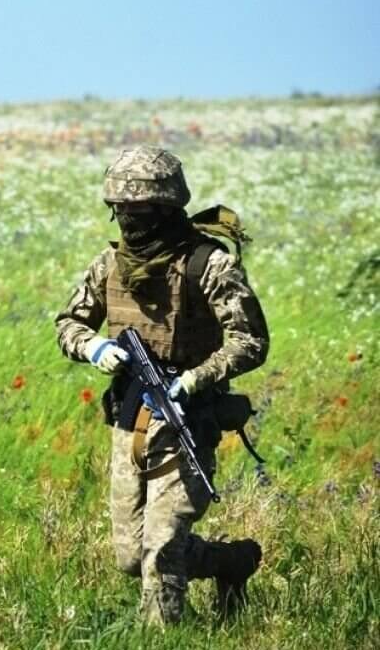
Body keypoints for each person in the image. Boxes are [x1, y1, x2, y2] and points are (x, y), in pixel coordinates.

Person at [54, 146, 268, 625]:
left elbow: (250, 341)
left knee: (162, 546)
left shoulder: (208, 266)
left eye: (141, 211)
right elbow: (69, 323)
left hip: (188, 417)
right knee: (131, 555)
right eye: (121, 211)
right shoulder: (108, 267)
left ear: (168, 209)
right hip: (130, 418)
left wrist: (195, 378)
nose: (130, 221)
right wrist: (91, 348)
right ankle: (230, 562)